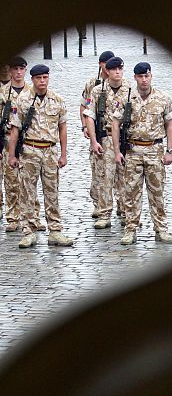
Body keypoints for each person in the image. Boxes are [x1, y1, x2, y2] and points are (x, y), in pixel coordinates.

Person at [8, 64, 73, 249]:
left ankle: (55, 230)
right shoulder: (22, 100)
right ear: (32, 79)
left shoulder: (57, 100)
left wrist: (63, 153)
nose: (42, 81)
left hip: (50, 151)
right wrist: (12, 155)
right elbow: (15, 129)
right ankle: (28, 231)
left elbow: (63, 128)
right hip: (30, 149)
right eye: (38, 78)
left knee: (52, 191)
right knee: (27, 192)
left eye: (45, 77)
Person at [112, 62, 172, 245]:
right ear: (135, 78)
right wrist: (117, 151)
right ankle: (130, 229)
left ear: (151, 76)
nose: (144, 80)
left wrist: (170, 150)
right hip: (133, 151)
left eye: (147, 76)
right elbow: (115, 123)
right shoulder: (126, 98)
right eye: (140, 76)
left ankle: (161, 228)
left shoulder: (162, 98)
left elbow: (170, 124)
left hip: (155, 150)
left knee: (157, 192)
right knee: (131, 192)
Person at [84, 55, 131, 230]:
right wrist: (94, 140)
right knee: (105, 177)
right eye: (114, 69)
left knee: (126, 177)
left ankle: (127, 212)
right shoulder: (98, 91)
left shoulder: (130, 90)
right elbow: (89, 115)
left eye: (120, 69)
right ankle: (104, 213)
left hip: (126, 140)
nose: (117, 72)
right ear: (108, 71)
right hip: (106, 138)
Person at [0, 56, 45, 232]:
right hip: (7, 139)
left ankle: (34, 216)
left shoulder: (32, 91)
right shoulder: (3, 93)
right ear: (10, 71)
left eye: (21, 69)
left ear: (25, 70)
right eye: (15, 69)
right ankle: (13, 217)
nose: (18, 72)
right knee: (11, 181)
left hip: (28, 141)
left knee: (30, 182)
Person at [79, 49, 115, 218]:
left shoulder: (122, 84)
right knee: (98, 171)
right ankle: (98, 204)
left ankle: (122, 205)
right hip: (98, 133)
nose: (109, 68)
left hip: (115, 135)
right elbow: (84, 107)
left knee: (120, 173)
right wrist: (85, 126)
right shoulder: (92, 84)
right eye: (105, 64)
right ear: (100, 65)